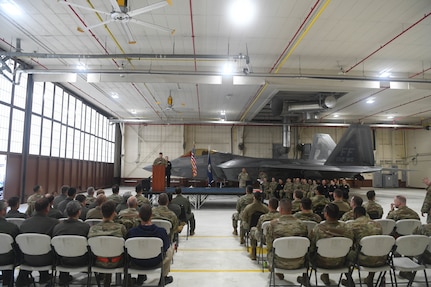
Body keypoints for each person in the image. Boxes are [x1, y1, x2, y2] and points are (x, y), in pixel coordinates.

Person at [127, 203, 174, 285]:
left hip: (136, 261)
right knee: (170, 250)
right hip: (155, 261)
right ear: (151, 215)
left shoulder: (132, 232)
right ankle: (163, 277)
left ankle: (140, 276)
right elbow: (166, 247)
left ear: (139, 216)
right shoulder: (161, 232)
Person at [307, 203, 354, 286]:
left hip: (321, 263)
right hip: (342, 261)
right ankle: (349, 280)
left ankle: (321, 276)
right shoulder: (347, 228)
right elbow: (351, 244)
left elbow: (311, 248)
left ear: (325, 214)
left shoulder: (318, 229)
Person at [16, 197, 59, 286]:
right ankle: (46, 275)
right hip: (47, 259)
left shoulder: (24, 223)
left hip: (27, 258)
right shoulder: (54, 223)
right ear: (48, 208)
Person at [266, 199, 308, 281]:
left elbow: (269, 246)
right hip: (300, 262)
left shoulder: (272, 225)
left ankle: (275, 269)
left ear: (280, 210)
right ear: (291, 209)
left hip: (279, 262)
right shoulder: (302, 224)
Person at [88, 201, 127, 287]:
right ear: (114, 213)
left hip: (98, 261)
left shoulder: (93, 229)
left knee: (106, 250)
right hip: (117, 262)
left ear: (101, 212)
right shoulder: (120, 228)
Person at [52, 200, 90, 285]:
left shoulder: (58, 227)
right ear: (79, 212)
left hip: (62, 261)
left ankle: (63, 276)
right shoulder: (85, 227)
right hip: (82, 260)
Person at [345, 206, 383, 287]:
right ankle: (370, 278)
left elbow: (348, 241)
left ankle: (349, 281)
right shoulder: (377, 224)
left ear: (355, 214)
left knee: (344, 253)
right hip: (381, 258)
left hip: (363, 259)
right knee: (374, 249)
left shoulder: (352, 225)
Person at [0, 200, 20, 287]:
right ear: (3, 211)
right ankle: (8, 282)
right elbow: (17, 246)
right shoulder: (12, 228)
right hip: (7, 260)